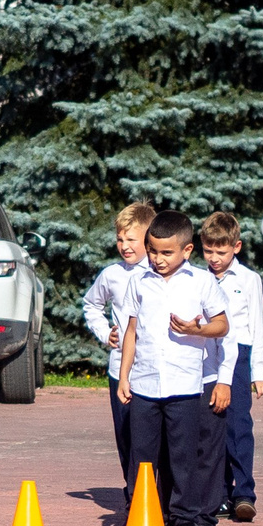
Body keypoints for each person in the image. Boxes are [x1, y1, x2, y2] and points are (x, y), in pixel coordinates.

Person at [115, 210, 229, 526]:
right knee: (143, 457)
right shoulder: (139, 281)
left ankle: (186, 522)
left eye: (166, 252)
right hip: (146, 384)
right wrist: (124, 376)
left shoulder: (202, 282)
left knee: (182, 457)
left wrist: (198, 329)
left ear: (187, 250)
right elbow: (131, 331)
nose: (158, 259)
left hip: (183, 385)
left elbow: (222, 325)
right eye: (153, 251)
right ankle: (140, 516)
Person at [197, 212, 263, 523]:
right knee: (211, 426)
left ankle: (244, 493)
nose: (214, 258)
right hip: (205, 356)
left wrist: (259, 371)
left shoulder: (248, 280)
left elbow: (257, 325)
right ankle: (219, 493)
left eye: (221, 251)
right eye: (208, 250)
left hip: (239, 355)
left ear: (236, 247)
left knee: (238, 425)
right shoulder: (197, 279)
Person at [82, 201, 154, 506]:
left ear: (149, 239)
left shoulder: (159, 272)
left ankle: (156, 497)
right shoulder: (112, 274)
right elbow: (91, 304)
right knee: (126, 435)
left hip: (153, 368)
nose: (124, 246)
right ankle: (132, 493)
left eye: (131, 240)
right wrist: (105, 333)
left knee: (150, 438)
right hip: (119, 370)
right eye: (120, 239)